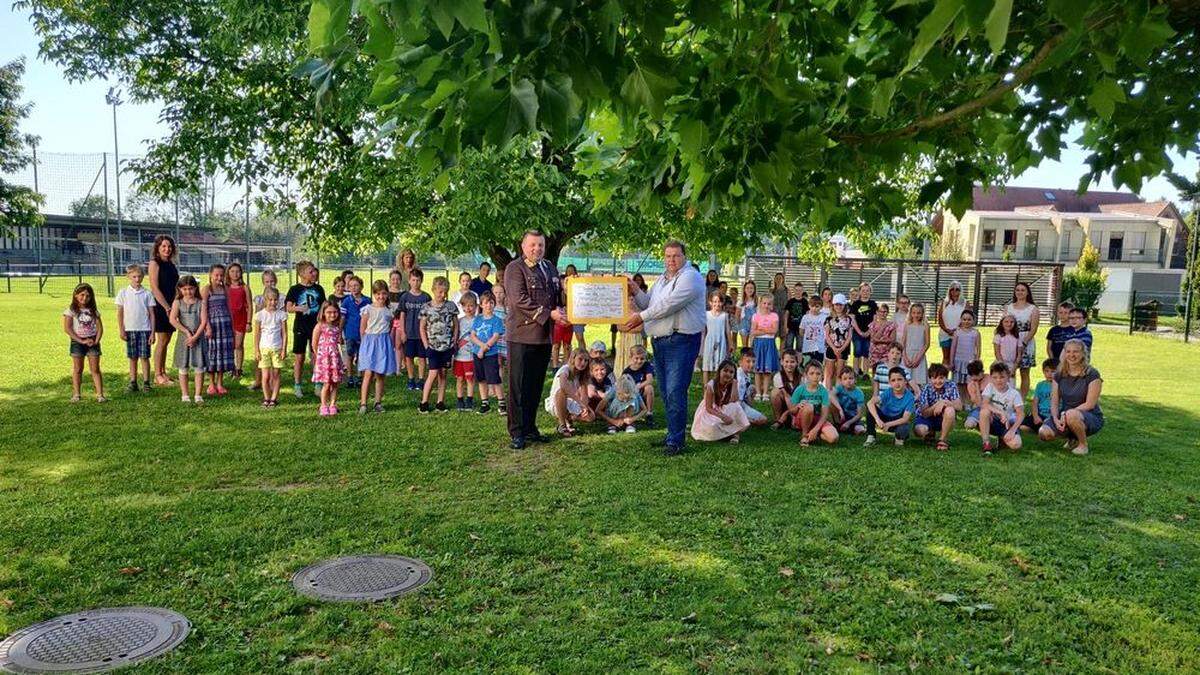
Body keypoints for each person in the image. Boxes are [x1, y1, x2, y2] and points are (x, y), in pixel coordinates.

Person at [622, 240, 707, 455]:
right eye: (668, 256)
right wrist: (634, 290)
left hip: (681, 341)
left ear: (684, 257)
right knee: (667, 392)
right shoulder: (662, 278)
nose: (671, 260)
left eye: (676, 256)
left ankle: (676, 441)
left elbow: (668, 305)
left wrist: (639, 317)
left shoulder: (691, 277)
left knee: (676, 391)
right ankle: (672, 435)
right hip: (660, 341)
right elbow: (649, 303)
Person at [506, 231, 567, 449]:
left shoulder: (549, 267)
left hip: (543, 337)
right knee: (519, 386)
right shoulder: (515, 268)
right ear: (523, 246)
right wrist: (548, 315)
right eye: (532, 245)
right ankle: (517, 432)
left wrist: (569, 292)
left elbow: (557, 295)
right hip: (522, 336)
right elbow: (519, 299)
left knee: (534, 386)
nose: (537, 249)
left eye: (540, 245)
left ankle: (530, 428)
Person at [1038, 339, 1104, 455]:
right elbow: (1054, 401)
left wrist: (1065, 414)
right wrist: (1055, 418)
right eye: (1068, 351)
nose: (1071, 355)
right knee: (1044, 433)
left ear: (1083, 353)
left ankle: (1083, 445)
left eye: (1076, 352)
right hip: (1066, 414)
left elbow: (1090, 404)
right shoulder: (1059, 374)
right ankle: (1072, 437)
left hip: (1089, 414)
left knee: (1071, 415)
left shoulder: (1092, 374)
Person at [285, 260, 326, 398]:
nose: (314, 273)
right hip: (301, 326)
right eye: (311, 271)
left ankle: (318, 385)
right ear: (302, 274)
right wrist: (298, 308)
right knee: (300, 357)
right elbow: (288, 307)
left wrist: (322, 320)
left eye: (315, 271)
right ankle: (297, 385)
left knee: (316, 355)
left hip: (315, 327)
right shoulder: (295, 289)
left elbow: (323, 306)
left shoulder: (319, 289)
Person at [419, 276, 459, 414]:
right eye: (440, 292)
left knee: (443, 374)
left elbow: (455, 324)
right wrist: (426, 345)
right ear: (433, 290)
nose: (442, 295)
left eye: (445, 292)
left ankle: (440, 402)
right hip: (432, 346)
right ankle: (424, 402)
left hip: (447, 346)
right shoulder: (426, 307)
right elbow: (422, 327)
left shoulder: (451, 306)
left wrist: (454, 339)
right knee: (433, 373)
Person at [115, 263, 157, 393]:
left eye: (139, 276)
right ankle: (133, 382)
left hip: (144, 329)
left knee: (145, 357)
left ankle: (146, 382)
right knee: (132, 357)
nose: (137, 279)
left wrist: (152, 332)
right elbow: (120, 312)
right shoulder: (123, 293)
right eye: (134, 277)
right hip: (130, 329)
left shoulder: (147, 294)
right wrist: (121, 329)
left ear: (143, 277)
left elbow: (152, 314)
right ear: (128, 276)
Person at [358, 280, 398, 413]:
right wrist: (365, 345)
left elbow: (390, 325)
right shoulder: (367, 309)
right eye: (378, 294)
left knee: (380, 374)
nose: (381, 297)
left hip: (383, 342)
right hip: (370, 342)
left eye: (384, 294)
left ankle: (377, 402)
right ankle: (363, 403)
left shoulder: (389, 311)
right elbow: (363, 329)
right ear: (374, 294)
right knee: (368, 373)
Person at [63, 282, 106, 402]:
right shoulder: (70, 311)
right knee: (78, 369)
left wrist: (96, 341)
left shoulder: (93, 311)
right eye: (82, 295)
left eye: (87, 296)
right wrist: (81, 340)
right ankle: (76, 394)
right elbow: (68, 328)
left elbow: (100, 327)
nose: (84, 298)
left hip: (92, 341)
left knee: (95, 369)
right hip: (78, 342)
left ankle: (100, 394)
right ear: (76, 295)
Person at [691, 359, 751, 444]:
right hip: (711, 412)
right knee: (712, 427)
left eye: (731, 372)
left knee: (736, 406)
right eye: (725, 371)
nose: (728, 374)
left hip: (722, 408)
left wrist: (734, 384)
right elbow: (708, 408)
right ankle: (726, 434)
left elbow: (735, 400)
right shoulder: (711, 385)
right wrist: (723, 417)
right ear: (719, 371)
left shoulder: (731, 384)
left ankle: (735, 434)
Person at [169, 275, 208, 404]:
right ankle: (185, 394)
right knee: (183, 366)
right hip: (184, 338)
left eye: (191, 288)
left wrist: (196, 336)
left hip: (198, 337)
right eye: (184, 289)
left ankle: (198, 394)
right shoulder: (177, 303)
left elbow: (203, 321)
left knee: (199, 366)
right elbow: (173, 319)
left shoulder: (200, 303)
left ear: (195, 288)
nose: (188, 292)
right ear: (180, 289)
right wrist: (186, 332)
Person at [147, 234, 179, 385]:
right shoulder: (155, 263)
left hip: (173, 306)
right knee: (161, 341)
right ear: (158, 248)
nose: (167, 249)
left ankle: (164, 372)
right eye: (163, 246)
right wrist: (166, 306)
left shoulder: (171, 264)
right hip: (162, 306)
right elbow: (155, 288)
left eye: (169, 246)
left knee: (167, 340)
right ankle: (157, 374)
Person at [468, 290, 506, 415]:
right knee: (481, 379)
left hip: (490, 354)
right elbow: (473, 336)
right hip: (477, 352)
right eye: (486, 303)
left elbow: (495, 336)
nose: (489, 305)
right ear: (481, 305)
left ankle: (502, 403)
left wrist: (484, 349)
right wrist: (480, 347)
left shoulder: (497, 320)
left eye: (491, 303)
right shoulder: (478, 319)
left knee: (495, 379)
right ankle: (485, 403)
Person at [396, 268, 431, 391]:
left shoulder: (426, 297)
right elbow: (402, 315)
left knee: (422, 358)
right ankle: (411, 379)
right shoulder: (405, 297)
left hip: (422, 334)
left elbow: (429, 316)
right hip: (409, 333)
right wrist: (402, 332)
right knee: (409, 357)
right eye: (413, 280)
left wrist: (427, 333)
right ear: (409, 281)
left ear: (421, 281)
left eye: (418, 280)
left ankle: (421, 379)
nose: (415, 282)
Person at [978, 362, 1024, 455]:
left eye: (1002, 377)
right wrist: (1000, 413)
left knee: (1016, 444)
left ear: (1008, 377)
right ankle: (986, 443)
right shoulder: (990, 387)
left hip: (1006, 423)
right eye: (995, 377)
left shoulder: (1014, 393)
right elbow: (985, 403)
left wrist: (1012, 430)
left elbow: (1021, 414)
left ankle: (1002, 439)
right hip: (991, 421)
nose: (998, 380)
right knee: (984, 412)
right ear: (991, 378)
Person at [913, 363, 962, 450]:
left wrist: (944, 402)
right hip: (926, 417)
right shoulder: (926, 388)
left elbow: (959, 406)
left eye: (941, 378)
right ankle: (929, 433)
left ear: (945, 378)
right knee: (920, 431)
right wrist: (937, 405)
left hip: (943, 417)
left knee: (950, 410)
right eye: (934, 378)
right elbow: (924, 413)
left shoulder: (951, 385)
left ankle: (942, 439)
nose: (938, 381)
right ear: (930, 378)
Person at [253, 286, 288, 408]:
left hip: (277, 348)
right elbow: (257, 334)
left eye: (275, 300)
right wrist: (256, 350)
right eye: (270, 300)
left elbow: (284, 333)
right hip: (264, 349)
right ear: (265, 300)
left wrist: (284, 349)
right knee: (266, 375)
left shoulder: (281, 315)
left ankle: (274, 398)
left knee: (276, 374)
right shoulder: (260, 315)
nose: (273, 302)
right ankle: (266, 397)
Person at [546, 348, 594, 436]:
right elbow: (564, 386)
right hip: (557, 402)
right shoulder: (565, 369)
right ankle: (562, 425)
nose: (583, 363)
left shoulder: (581, 374)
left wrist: (584, 408)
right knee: (561, 391)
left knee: (591, 416)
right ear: (573, 358)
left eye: (586, 360)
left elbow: (584, 396)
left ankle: (570, 419)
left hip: (570, 402)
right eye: (580, 359)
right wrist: (580, 402)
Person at [1005, 282, 1041, 397]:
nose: (1020, 292)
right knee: (1010, 370)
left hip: (1026, 341)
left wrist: (1024, 342)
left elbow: (1034, 328)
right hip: (1010, 341)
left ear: (1027, 292)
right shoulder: (1009, 307)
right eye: (1017, 290)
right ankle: (1009, 397)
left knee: (1024, 373)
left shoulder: (1033, 309)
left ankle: (1022, 398)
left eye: (1023, 290)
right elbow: (1003, 325)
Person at [790, 361, 839, 446]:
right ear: (806, 375)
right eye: (811, 373)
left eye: (818, 374)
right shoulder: (800, 389)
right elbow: (792, 411)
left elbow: (824, 414)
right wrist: (798, 406)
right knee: (809, 407)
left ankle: (814, 434)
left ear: (822, 376)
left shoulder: (823, 391)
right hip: (802, 418)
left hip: (818, 419)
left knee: (833, 438)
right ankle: (804, 435)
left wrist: (816, 429)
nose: (815, 377)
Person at [865, 367, 915, 447]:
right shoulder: (888, 392)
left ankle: (899, 438)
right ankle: (871, 436)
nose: (897, 383)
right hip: (884, 417)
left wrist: (889, 424)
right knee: (870, 410)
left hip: (897, 421)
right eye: (893, 380)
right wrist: (877, 419)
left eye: (899, 379)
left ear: (905, 381)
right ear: (890, 383)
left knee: (904, 428)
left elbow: (905, 418)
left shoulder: (910, 397)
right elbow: (870, 403)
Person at [312, 301, 345, 416]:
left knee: (335, 383)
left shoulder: (337, 327)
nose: (332, 315)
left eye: (335, 312)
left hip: (335, 358)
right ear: (323, 313)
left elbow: (339, 342)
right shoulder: (320, 326)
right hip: (324, 359)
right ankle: (323, 405)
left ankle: (333, 404)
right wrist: (320, 356)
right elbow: (314, 343)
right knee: (326, 384)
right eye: (329, 312)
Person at [250, 269, 279, 392]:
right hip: (262, 331)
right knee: (260, 357)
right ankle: (258, 380)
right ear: (263, 282)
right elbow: (257, 315)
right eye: (267, 282)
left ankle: (272, 381)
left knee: (273, 357)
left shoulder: (278, 297)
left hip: (275, 331)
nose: (270, 284)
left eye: (272, 281)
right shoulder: (259, 298)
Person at [340, 276, 371, 388]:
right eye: (351, 286)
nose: (353, 288)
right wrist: (339, 333)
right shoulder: (346, 301)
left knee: (361, 355)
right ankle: (350, 377)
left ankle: (359, 376)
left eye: (356, 285)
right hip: (350, 333)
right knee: (349, 355)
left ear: (361, 287)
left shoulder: (367, 301)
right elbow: (342, 318)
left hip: (363, 334)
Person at [226, 261, 253, 380]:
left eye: (237, 271)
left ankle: (239, 368)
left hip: (241, 319)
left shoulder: (245, 287)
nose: (235, 274)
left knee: (238, 344)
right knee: (230, 345)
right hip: (228, 319)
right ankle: (231, 367)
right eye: (232, 271)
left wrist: (249, 322)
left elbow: (250, 306)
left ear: (241, 273)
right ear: (228, 273)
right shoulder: (225, 287)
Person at [750, 294, 780, 401]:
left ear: (772, 305)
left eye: (769, 304)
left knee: (767, 370)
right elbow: (753, 331)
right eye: (764, 303)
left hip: (769, 343)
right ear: (760, 304)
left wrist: (761, 329)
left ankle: (765, 392)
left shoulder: (774, 316)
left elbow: (774, 331)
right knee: (758, 369)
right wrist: (767, 329)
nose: (766, 305)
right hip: (758, 344)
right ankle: (758, 392)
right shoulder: (755, 316)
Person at [453, 293, 479, 411]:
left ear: (476, 306)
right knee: (459, 379)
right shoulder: (459, 321)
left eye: (471, 306)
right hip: (460, 356)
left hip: (471, 356)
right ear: (462, 307)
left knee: (470, 379)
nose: (468, 309)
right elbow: (455, 335)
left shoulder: (478, 321)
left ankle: (469, 399)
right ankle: (460, 400)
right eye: (466, 306)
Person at [701, 291, 732, 385]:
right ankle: (706, 389)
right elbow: (704, 332)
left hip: (721, 342)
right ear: (710, 302)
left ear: (722, 303)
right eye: (714, 301)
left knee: (719, 366)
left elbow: (727, 331)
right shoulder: (706, 314)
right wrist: (702, 346)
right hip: (709, 341)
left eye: (719, 301)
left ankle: (716, 387)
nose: (717, 304)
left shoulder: (724, 315)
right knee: (707, 366)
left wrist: (730, 344)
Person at [735, 347, 770, 428]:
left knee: (753, 388)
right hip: (735, 405)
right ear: (740, 362)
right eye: (748, 361)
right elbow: (737, 402)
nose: (751, 364)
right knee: (763, 420)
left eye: (753, 361)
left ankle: (747, 413)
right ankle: (742, 420)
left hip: (741, 402)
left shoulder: (746, 373)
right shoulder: (740, 379)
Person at [823, 293, 852, 390]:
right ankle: (828, 393)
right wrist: (834, 348)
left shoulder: (848, 319)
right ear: (833, 305)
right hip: (831, 348)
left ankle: (838, 393)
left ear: (844, 306)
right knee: (829, 373)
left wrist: (841, 348)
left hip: (843, 348)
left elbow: (849, 336)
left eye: (840, 304)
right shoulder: (828, 319)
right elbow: (827, 335)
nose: (838, 307)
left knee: (839, 373)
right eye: (836, 304)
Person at [849, 283, 878, 377]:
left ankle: (865, 373)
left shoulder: (873, 304)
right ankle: (856, 372)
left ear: (870, 292)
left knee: (866, 351)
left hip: (869, 332)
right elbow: (852, 319)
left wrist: (868, 332)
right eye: (863, 290)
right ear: (860, 292)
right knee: (857, 351)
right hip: (857, 332)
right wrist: (859, 331)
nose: (865, 292)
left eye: (867, 290)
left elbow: (875, 319)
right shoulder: (856, 304)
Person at [621, 345, 655, 426]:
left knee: (649, 387)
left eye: (642, 359)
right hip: (632, 397)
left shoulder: (647, 365)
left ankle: (649, 413)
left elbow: (650, 380)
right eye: (636, 358)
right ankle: (632, 415)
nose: (639, 361)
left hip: (642, 393)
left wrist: (638, 387)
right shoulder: (626, 372)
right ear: (631, 358)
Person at [552, 266, 578, 368]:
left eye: (566, 282)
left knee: (567, 345)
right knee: (556, 345)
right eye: (563, 282)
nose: (564, 285)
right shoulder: (556, 294)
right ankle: (555, 366)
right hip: (558, 324)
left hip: (569, 323)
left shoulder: (573, 295)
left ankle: (566, 365)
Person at [769, 349, 803, 430]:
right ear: (781, 362)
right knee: (775, 392)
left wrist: (793, 413)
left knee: (795, 426)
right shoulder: (778, 376)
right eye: (786, 361)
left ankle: (793, 419)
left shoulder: (802, 377)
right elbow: (786, 396)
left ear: (797, 363)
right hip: (785, 402)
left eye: (792, 362)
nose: (789, 364)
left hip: (798, 405)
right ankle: (779, 420)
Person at [1022, 357, 1058, 432]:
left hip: (1054, 416)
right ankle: (1039, 428)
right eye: (1047, 371)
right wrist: (1035, 416)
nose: (1049, 374)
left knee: (1049, 430)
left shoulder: (1060, 385)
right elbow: (1035, 403)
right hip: (1040, 414)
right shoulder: (1040, 385)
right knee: (1023, 427)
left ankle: (1043, 428)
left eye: (1053, 371)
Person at [936, 281, 967, 367]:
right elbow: (940, 318)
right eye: (952, 289)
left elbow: (967, 318)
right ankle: (943, 377)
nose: (954, 291)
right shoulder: (944, 302)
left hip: (959, 334)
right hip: (944, 334)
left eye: (957, 289)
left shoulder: (965, 303)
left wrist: (956, 330)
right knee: (946, 357)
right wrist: (946, 330)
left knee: (956, 357)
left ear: (960, 291)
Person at [831, 366, 866, 436]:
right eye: (845, 379)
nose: (848, 381)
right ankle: (838, 424)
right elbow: (830, 395)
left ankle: (849, 427)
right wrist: (840, 410)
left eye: (851, 378)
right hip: (842, 416)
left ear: (855, 380)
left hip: (854, 419)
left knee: (860, 430)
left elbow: (859, 414)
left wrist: (848, 423)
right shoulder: (840, 388)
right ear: (841, 381)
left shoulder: (859, 393)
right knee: (831, 402)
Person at [900, 302, 930, 386]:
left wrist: (919, 358)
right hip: (908, 355)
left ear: (922, 313)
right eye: (914, 312)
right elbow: (903, 342)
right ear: (910, 313)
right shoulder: (907, 325)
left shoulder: (925, 326)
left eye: (918, 313)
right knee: (906, 379)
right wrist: (904, 357)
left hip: (919, 355)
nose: (916, 315)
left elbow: (927, 344)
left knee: (918, 381)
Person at [948, 309, 980, 385]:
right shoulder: (957, 332)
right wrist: (951, 362)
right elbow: (953, 348)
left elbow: (978, 348)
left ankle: (968, 397)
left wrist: (976, 361)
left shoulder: (976, 333)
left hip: (970, 362)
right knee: (957, 384)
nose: (966, 321)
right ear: (961, 320)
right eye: (964, 319)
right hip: (958, 361)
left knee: (970, 384)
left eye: (969, 319)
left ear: (973, 320)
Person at [800, 298, 827, 368]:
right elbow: (801, 331)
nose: (814, 308)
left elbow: (827, 331)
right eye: (812, 306)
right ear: (809, 306)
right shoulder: (805, 317)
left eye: (817, 306)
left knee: (818, 366)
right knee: (807, 366)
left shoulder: (824, 317)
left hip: (819, 347)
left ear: (821, 307)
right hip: (808, 347)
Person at [868, 303, 897, 369]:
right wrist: (883, 326)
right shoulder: (873, 324)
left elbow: (892, 340)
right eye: (880, 311)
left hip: (886, 352)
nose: (882, 313)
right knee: (875, 371)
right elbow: (873, 339)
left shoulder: (892, 325)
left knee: (885, 370)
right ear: (877, 312)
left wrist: (880, 341)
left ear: (888, 312)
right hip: (874, 351)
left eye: (885, 311)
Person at [782, 282, 808, 351]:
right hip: (790, 327)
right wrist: (785, 326)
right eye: (796, 290)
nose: (798, 292)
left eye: (800, 290)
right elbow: (786, 314)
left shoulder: (805, 302)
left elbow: (807, 315)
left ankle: (798, 361)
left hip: (801, 328)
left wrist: (806, 327)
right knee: (788, 344)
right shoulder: (790, 301)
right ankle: (789, 359)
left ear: (802, 291)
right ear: (794, 290)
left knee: (800, 346)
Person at [962, 360, 987, 431]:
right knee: (969, 425)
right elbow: (979, 404)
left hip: (992, 408)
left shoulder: (990, 379)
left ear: (982, 371)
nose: (975, 378)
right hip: (979, 409)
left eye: (977, 374)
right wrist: (977, 387)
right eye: (973, 375)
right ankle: (979, 422)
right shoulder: (971, 385)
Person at [737, 280, 758, 349]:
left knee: (753, 345)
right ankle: (744, 358)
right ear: (744, 289)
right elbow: (737, 314)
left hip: (754, 325)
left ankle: (753, 359)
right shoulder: (741, 301)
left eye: (751, 288)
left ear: (754, 290)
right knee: (744, 346)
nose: (749, 290)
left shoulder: (757, 301)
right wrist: (740, 326)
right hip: (744, 324)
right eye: (747, 288)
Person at [771, 273, 789, 349]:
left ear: (783, 280)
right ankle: (774, 353)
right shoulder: (771, 291)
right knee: (773, 336)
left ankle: (781, 354)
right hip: (774, 315)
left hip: (783, 314)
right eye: (777, 278)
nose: (778, 280)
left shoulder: (787, 291)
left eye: (780, 278)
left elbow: (789, 304)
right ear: (774, 280)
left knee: (783, 336)